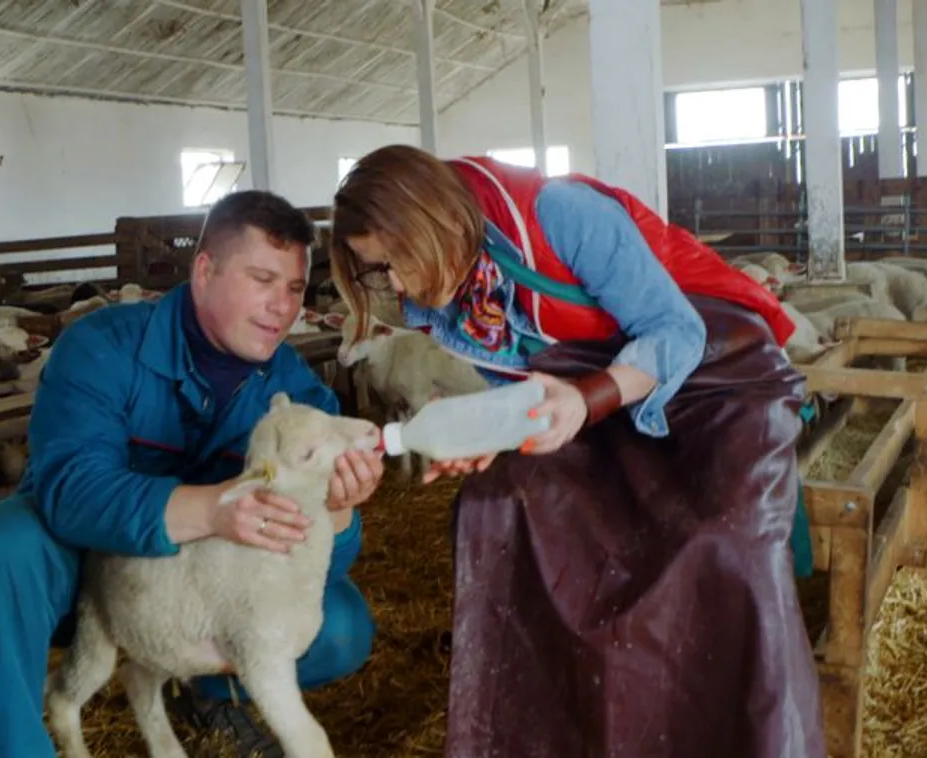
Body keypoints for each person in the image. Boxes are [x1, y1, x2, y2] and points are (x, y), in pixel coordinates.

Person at [329, 145, 827, 758]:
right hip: (596, 411)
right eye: (378, 271)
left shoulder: (560, 214)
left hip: (714, 383)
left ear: (428, 223)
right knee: (494, 507)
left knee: (730, 537)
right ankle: (573, 728)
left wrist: (587, 401)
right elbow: (522, 391)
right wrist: (491, 434)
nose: (398, 285)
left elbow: (677, 331)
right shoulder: (452, 299)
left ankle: (746, 735)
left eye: (395, 261)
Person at [0, 190, 386, 758]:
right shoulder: (102, 345)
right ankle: (16, 746)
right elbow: (70, 489)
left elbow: (311, 567)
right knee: (2, 547)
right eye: (262, 279)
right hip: (77, 563)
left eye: (295, 288)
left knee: (341, 626)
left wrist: (338, 510)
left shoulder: (297, 392)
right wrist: (211, 509)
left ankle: (203, 690)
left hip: (196, 592)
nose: (283, 306)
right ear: (205, 271)